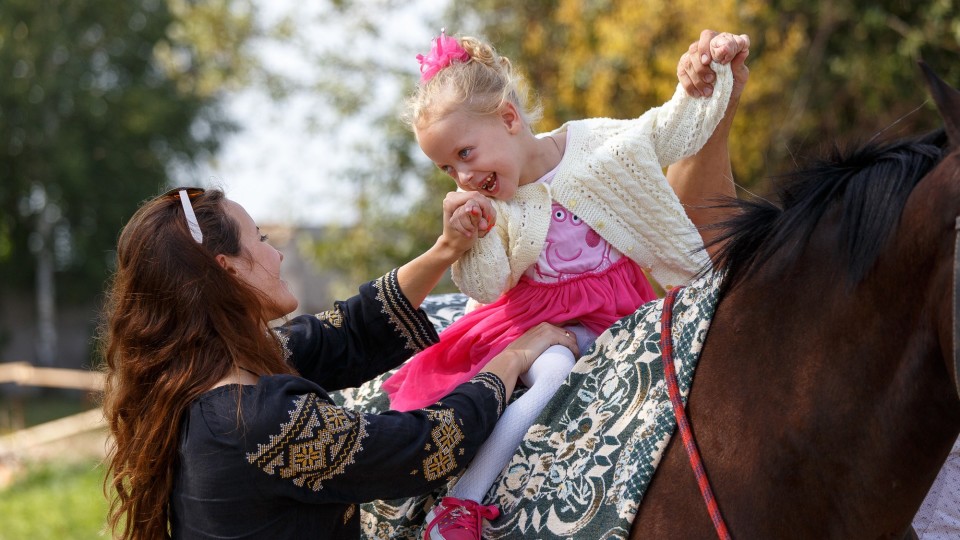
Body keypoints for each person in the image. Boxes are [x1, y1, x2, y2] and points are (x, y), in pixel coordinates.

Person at [380, 29, 751, 539]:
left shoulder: (599, 146)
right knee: (553, 373)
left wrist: (707, 78)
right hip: (535, 325)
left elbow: (669, 130)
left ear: (509, 119)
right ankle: (458, 506)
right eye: (447, 168)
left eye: (465, 154)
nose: (462, 176)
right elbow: (487, 286)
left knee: (683, 376)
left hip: (618, 317)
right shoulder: (495, 206)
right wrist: (470, 238)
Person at [99, 186, 580, 540]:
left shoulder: (208, 374)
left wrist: (447, 249)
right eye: (261, 239)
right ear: (230, 269)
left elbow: (350, 329)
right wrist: (513, 357)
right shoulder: (258, 419)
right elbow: (426, 446)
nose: (278, 253)